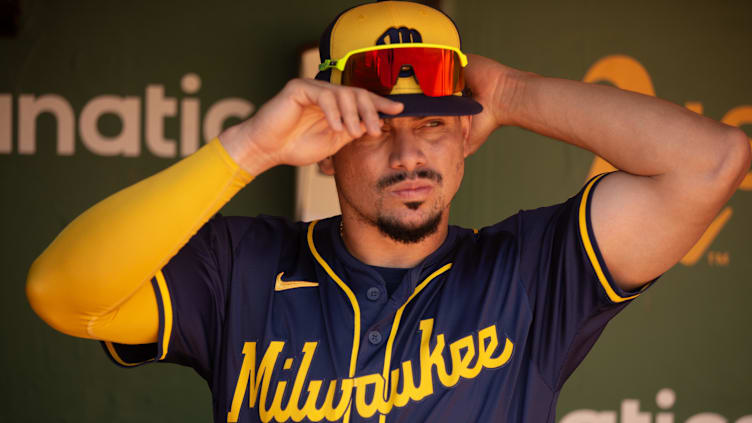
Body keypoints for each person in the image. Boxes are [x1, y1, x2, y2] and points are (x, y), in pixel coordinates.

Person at [25, 1, 749, 422]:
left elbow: (712, 161)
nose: (408, 152)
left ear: (465, 138)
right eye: (374, 123)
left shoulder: (529, 271)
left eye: (434, 122)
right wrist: (247, 147)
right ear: (325, 148)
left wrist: (507, 93)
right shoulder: (238, 269)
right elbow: (61, 292)